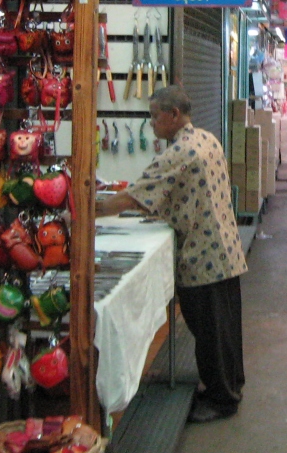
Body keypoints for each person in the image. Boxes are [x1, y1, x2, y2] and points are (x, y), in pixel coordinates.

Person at [98, 86, 248, 422]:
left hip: (203, 257)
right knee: (225, 330)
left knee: (209, 333)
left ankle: (221, 400)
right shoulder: (207, 139)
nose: (152, 123)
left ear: (174, 115)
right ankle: (230, 385)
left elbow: (133, 196)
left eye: (155, 116)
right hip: (225, 249)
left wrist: (89, 211)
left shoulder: (179, 152)